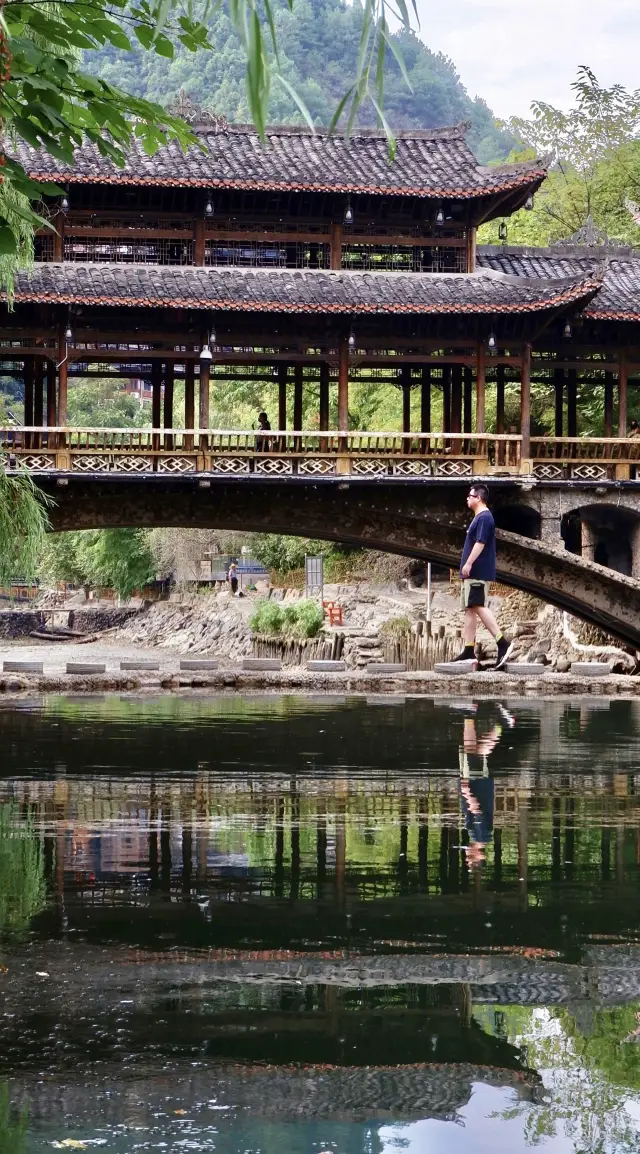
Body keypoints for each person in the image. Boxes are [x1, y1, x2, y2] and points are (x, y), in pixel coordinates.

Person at [453, 484, 513, 669]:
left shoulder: (485, 517)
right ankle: (469, 650)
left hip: (477, 571)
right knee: (470, 609)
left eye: (470, 496)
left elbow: (480, 543)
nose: (467, 499)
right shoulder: (479, 518)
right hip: (471, 573)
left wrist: (469, 563)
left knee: (477, 605)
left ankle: (502, 641)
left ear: (478, 497)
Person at [458, 702, 515, 870]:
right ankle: (497, 723)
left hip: (482, 786)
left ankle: (493, 722)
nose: (467, 855)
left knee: (474, 751)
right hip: (476, 787)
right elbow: (477, 812)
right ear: (478, 856)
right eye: (469, 858)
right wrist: (467, 793)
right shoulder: (479, 835)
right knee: (472, 752)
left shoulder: (483, 837)